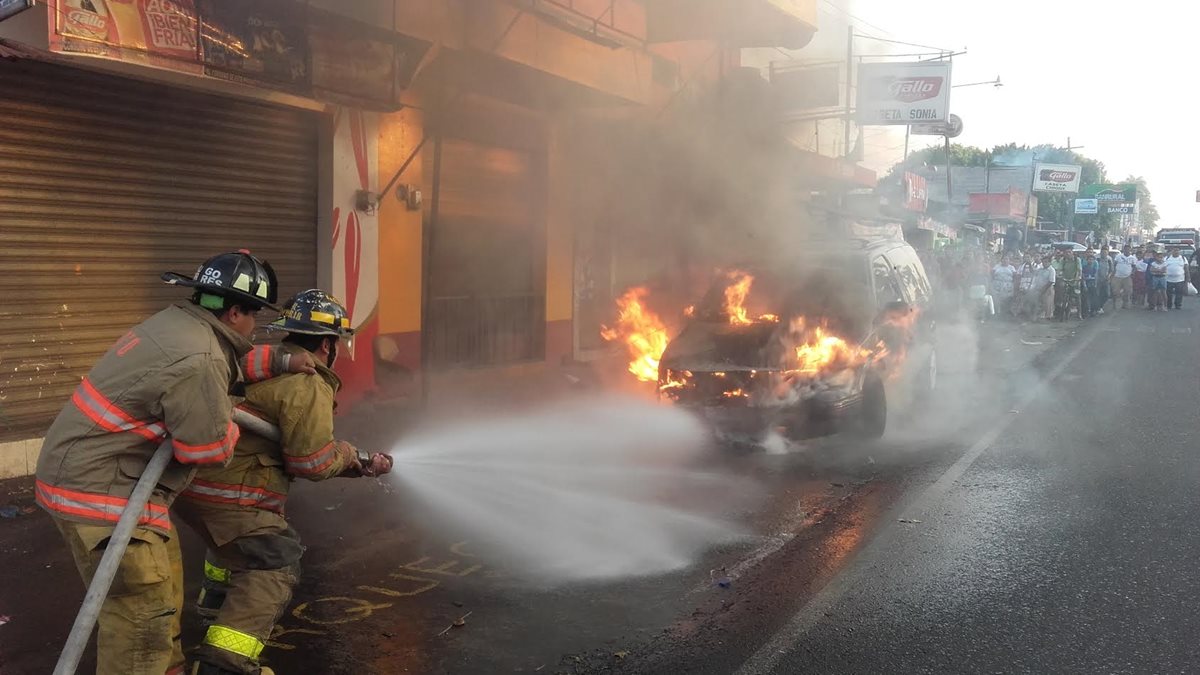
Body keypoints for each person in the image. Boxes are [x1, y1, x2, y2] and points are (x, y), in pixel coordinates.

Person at [34, 251, 315, 675]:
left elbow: (228, 362)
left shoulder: (177, 325)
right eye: (254, 314)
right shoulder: (201, 360)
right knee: (142, 624)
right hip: (105, 496)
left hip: (97, 479)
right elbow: (207, 450)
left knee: (164, 595)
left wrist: (281, 360)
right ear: (235, 312)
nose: (254, 325)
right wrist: (230, 419)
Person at [173, 290, 394, 675]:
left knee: (232, 545)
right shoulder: (307, 383)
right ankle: (223, 664)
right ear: (327, 344)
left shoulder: (264, 361)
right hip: (231, 495)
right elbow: (311, 462)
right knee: (275, 560)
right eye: (336, 342)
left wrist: (356, 463)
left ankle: (214, 609)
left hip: (192, 485)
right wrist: (349, 454)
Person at [990, 254, 1017, 319]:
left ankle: (1006, 313)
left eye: (1007, 259)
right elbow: (992, 275)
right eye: (1004, 259)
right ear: (1001, 260)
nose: (1005, 260)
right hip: (997, 285)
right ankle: (997, 312)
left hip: (1008, 285)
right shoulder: (997, 266)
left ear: (1009, 260)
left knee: (1008, 299)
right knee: (997, 298)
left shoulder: (1012, 267)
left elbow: (1015, 276)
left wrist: (1013, 284)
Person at [1031, 253, 1057, 320]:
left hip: (1048, 288)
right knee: (1039, 301)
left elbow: (1051, 281)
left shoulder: (1051, 270)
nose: (1044, 263)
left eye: (1046, 262)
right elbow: (1035, 275)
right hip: (1039, 287)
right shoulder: (1040, 269)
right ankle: (1038, 315)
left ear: (1049, 262)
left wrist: (1043, 289)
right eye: (1043, 262)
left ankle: (1048, 316)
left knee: (1047, 302)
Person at [1164, 245, 1190, 310]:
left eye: (1177, 250)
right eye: (1174, 250)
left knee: (1179, 293)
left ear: (1179, 251)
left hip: (1180, 279)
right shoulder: (1167, 258)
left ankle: (1178, 305)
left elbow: (1186, 268)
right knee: (1168, 293)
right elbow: (1163, 267)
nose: (1176, 252)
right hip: (1168, 279)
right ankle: (1169, 305)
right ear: (1171, 251)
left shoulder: (1183, 258)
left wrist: (1188, 278)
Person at [1112, 245, 1137, 310]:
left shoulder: (1132, 258)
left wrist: (1132, 273)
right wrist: (1113, 273)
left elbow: (1134, 267)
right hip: (1117, 276)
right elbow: (1114, 265)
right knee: (1115, 291)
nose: (1127, 250)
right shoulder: (1118, 256)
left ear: (1130, 250)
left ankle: (1125, 304)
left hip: (1127, 277)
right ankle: (1114, 304)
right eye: (1126, 249)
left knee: (1128, 291)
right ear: (1124, 249)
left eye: (1128, 249)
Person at [1080, 249, 1099, 318]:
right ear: (1087, 260)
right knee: (1085, 298)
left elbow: (1096, 275)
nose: (1090, 261)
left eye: (1092, 260)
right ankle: (1085, 312)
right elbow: (1082, 275)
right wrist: (1084, 284)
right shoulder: (1084, 267)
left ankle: (1093, 311)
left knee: (1093, 298)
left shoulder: (1094, 267)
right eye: (1089, 259)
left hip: (1092, 283)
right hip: (1086, 282)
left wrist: (1096, 283)